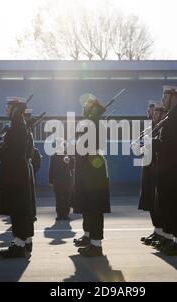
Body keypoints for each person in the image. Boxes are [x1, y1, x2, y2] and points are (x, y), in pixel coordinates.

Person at [0, 97, 33, 258]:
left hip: (15, 172)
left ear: (15, 108)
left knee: (18, 209)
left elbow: (15, 151)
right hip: (16, 171)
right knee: (17, 209)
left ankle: (19, 244)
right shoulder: (17, 125)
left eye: (8, 107)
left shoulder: (17, 125)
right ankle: (20, 242)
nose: (6, 110)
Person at [71, 94, 111, 257]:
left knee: (94, 207)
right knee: (87, 206)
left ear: (92, 107)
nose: (83, 106)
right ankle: (89, 238)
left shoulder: (95, 123)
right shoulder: (89, 122)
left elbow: (90, 148)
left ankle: (96, 244)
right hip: (86, 170)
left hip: (93, 171)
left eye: (87, 104)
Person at [152, 86, 177, 256]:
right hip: (167, 166)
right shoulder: (170, 117)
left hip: (173, 166)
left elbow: (171, 145)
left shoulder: (176, 119)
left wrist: (153, 143)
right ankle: (173, 239)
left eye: (165, 97)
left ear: (174, 98)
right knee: (166, 204)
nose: (162, 100)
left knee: (174, 204)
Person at [132, 102, 164, 245]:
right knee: (149, 201)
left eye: (154, 111)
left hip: (156, 167)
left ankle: (162, 231)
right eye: (151, 111)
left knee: (156, 202)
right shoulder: (150, 127)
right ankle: (157, 230)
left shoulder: (161, 127)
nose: (151, 113)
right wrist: (138, 146)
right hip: (147, 166)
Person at [49, 141, 73, 220]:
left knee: (60, 198)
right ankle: (64, 214)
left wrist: (51, 181)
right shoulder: (67, 156)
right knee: (65, 198)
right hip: (65, 180)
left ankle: (60, 214)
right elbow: (51, 169)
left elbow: (51, 169)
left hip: (59, 180)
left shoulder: (55, 156)